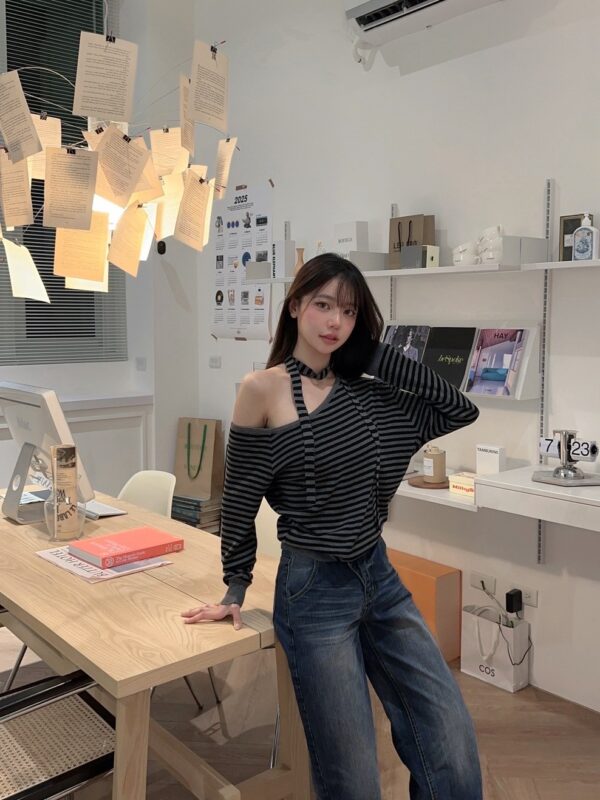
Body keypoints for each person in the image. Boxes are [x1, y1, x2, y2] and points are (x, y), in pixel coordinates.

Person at [182, 253, 483, 800]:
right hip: (313, 592)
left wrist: (373, 356)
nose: (334, 322)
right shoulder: (262, 389)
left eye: (348, 312)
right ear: (296, 306)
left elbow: (457, 408)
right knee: (353, 780)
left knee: (452, 742)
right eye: (323, 305)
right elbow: (241, 498)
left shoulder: (370, 395)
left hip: (380, 579)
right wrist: (235, 586)